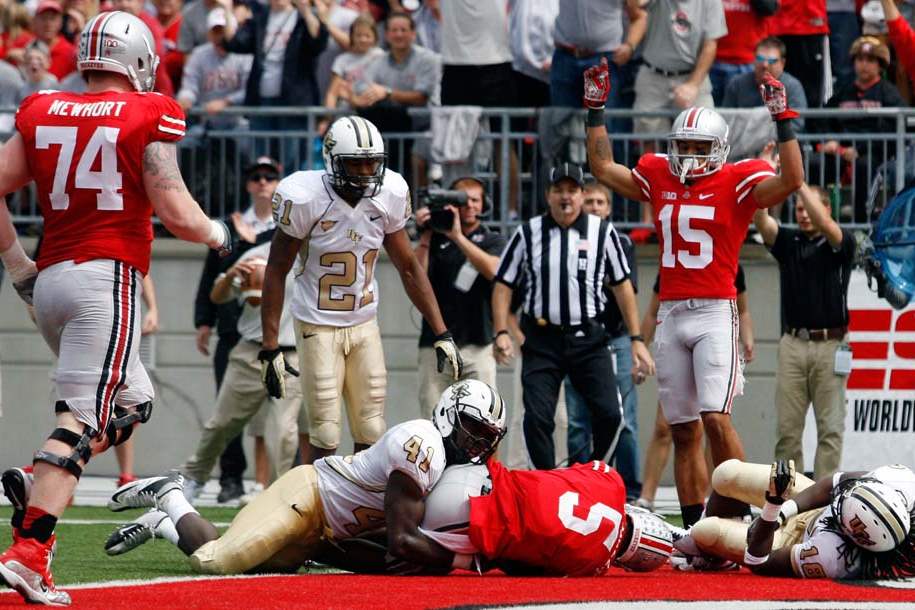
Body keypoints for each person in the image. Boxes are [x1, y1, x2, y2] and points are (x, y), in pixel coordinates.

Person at [0, 11, 232, 605]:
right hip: (105, 282)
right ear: (138, 61)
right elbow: (175, 208)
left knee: (134, 402)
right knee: (78, 419)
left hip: (51, 281)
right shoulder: (147, 111)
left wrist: (18, 265)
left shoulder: (44, 106)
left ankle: (39, 478)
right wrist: (220, 234)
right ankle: (29, 554)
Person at [583, 57, 804, 529]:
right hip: (671, 314)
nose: (689, 154)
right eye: (683, 145)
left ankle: (754, 518)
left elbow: (791, 181)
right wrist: (595, 109)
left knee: (716, 421)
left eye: (700, 146)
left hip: (714, 311)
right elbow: (601, 165)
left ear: (720, 149)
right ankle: (697, 527)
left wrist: (783, 123)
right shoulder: (659, 173)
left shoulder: (737, 180)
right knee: (682, 431)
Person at [103, 380, 507, 575]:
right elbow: (402, 541)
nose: (476, 443)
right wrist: (463, 561)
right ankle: (169, 493)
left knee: (251, 568)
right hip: (310, 497)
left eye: (486, 437)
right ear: (449, 413)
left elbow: (391, 550)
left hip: (327, 528)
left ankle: (162, 525)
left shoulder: (451, 464)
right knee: (219, 562)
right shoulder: (423, 443)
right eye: (472, 427)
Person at [258, 115, 463, 464]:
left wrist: (441, 331)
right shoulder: (306, 198)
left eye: (372, 162)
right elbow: (276, 270)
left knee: (371, 427)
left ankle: (358, 507)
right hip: (317, 324)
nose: (366, 171)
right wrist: (270, 346)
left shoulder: (388, 194)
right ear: (333, 160)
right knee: (324, 429)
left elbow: (409, 268)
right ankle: (318, 506)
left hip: (364, 322)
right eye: (356, 163)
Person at [491, 162, 655, 470]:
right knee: (537, 418)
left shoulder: (603, 233)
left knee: (610, 415)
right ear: (548, 195)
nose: (565, 197)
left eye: (572, 190)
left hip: (588, 338)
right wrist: (501, 330)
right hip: (541, 339)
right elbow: (503, 284)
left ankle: (593, 474)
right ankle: (546, 481)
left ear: (582, 195)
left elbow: (622, 287)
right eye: (558, 190)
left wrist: (636, 339)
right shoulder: (528, 232)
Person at [323, 460, 675, 576]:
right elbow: (524, 567)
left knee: (387, 505)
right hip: (478, 522)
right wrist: (468, 561)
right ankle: (317, 551)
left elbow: (559, 473)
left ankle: (327, 497)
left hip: (483, 476)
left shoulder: (610, 480)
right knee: (400, 552)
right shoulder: (593, 564)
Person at [193, 157, 280, 504]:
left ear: (278, 183)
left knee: (284, 415)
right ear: (248, 184)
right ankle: (231, 478)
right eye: (256, 177)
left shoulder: (287, 228)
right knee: (226, 411)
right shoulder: (230, 228)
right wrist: (204, 321)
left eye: (269, 177)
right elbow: (208, 277)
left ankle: (279, 482)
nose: (262, 183)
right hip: (233, 330)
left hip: (276, 332)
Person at [753, 183, 855, 480]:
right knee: (787, 432)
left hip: (831, 344)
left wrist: (796, 183)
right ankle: (787, 500)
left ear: (827, 209)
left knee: (830, 431)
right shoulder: (789, 240)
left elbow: (825, 225)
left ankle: (823, 504)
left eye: (809, 207)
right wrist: (765, 178)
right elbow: (761, 220)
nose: (804, 214)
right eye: (798, 209)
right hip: (793, 343)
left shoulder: (842, 242)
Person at [635, 267, 755, 511]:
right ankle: (648, 496)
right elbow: (651, 310)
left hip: (712, 327)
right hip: (674, 329)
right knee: (671, 427)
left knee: (715, 422)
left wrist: (747, 338)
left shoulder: (727, 265)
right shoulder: (673, 263)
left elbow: (742, 307)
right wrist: (640, 344)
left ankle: (728, 501)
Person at [675, 459, 915, 579]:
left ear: (852, 535)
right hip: (812, 508)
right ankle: (715, 538)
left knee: (705, 532)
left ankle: (716, 557)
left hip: (793, 541)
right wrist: (785, 511)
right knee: (726, 474)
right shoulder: (900, 483)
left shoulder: (833, 556)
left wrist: (772, 507)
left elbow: (759, 563)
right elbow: (830, 487)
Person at [562, 180, 641, 501]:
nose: (595, 207)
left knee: (625, 419)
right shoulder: (567, 238)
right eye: (590, 201)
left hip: (616, 338)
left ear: (609, 208)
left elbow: (627, 289)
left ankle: (629, 491)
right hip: (578, 339)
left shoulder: (620, 242)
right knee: (578, 419)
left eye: (600, 202)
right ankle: (576, 486)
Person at [413, 177, 506, 417]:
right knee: (433, 417)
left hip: (479, 345)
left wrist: (457, 237)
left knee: (486, 418)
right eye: (462, 200)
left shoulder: (492, 239)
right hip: (436, 346)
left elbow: (494, 271)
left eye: (475, 200)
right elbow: (415, 278)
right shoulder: (434, 239)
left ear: (484, 203)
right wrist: (424, 236)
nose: (470, 206)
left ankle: (489, 459)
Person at [721, 36, 807, 132]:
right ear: (754, 59)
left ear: (782, 63)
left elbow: (797, 124)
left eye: (772, 61)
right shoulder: (737, 83)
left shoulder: (792, 86)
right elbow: (727, 120)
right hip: (745, 144)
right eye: (760, 58)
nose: (765, 65)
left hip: (779, 143)